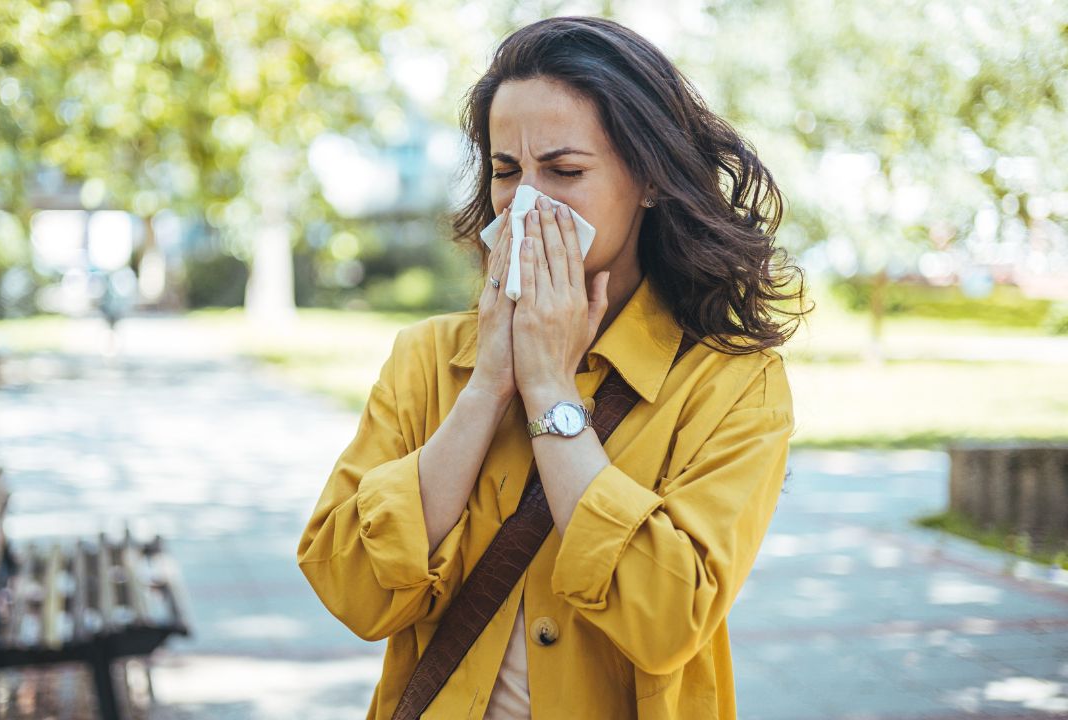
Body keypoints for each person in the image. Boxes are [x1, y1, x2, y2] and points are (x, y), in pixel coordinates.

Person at [297, 16, 810, 720]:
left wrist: (548, 389)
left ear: (650, 180)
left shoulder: (731, 384)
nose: (527, 201)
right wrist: (488, 386)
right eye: (506, 172)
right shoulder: (426, 358)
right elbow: (350, 585)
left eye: (565, 171)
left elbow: (666, 619)